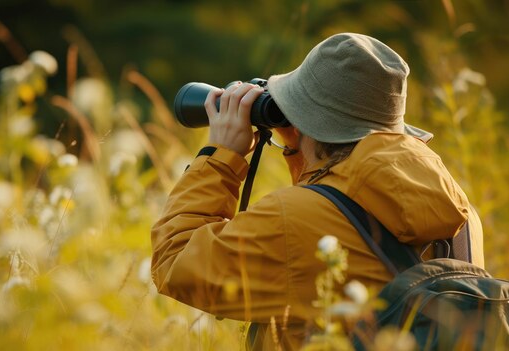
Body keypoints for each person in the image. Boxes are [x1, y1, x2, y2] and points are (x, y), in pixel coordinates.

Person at [150, 33, 484, 350]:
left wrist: (220, 156)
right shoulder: (461, 215)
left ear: (301, 123)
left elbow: (174, 262)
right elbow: (340, 207)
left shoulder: (294, 220)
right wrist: (300, 144)